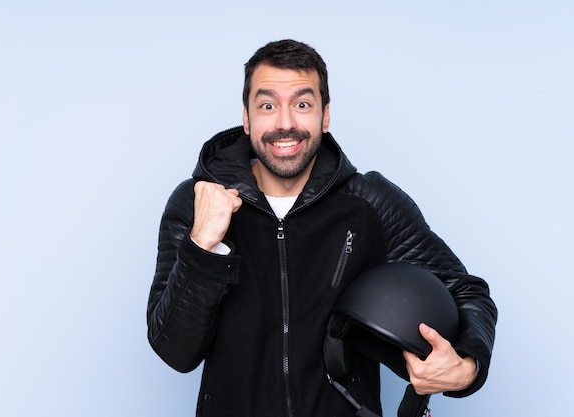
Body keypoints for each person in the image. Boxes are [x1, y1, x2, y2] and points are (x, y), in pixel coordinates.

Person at [147, 39, 497, 417]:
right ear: (246, 118)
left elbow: (466, 290)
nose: (284, 123)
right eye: (267, 105)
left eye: (302, 104)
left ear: (325, 116)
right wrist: (202, 247)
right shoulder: (195, 202)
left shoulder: (370, 202)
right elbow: (175, 352)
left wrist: (465, 369)